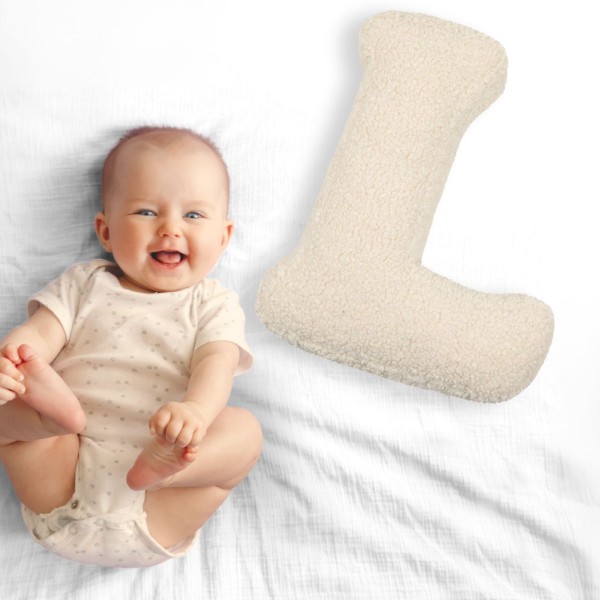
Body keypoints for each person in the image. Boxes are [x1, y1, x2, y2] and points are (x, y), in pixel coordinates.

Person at [0, 126, 262, 567]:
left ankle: (172, 468)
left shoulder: (212, 303)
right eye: (146, 211)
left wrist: (196, 412)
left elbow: (216, 362)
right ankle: (53, 418)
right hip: (62, 474)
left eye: (193, 215)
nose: (170, 229)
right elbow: (41, 333)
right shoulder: (84, 284)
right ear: (105, 230)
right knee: (9, 414)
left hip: (156, 505)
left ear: (224, 235)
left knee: (245, 433)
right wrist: (15, 358)